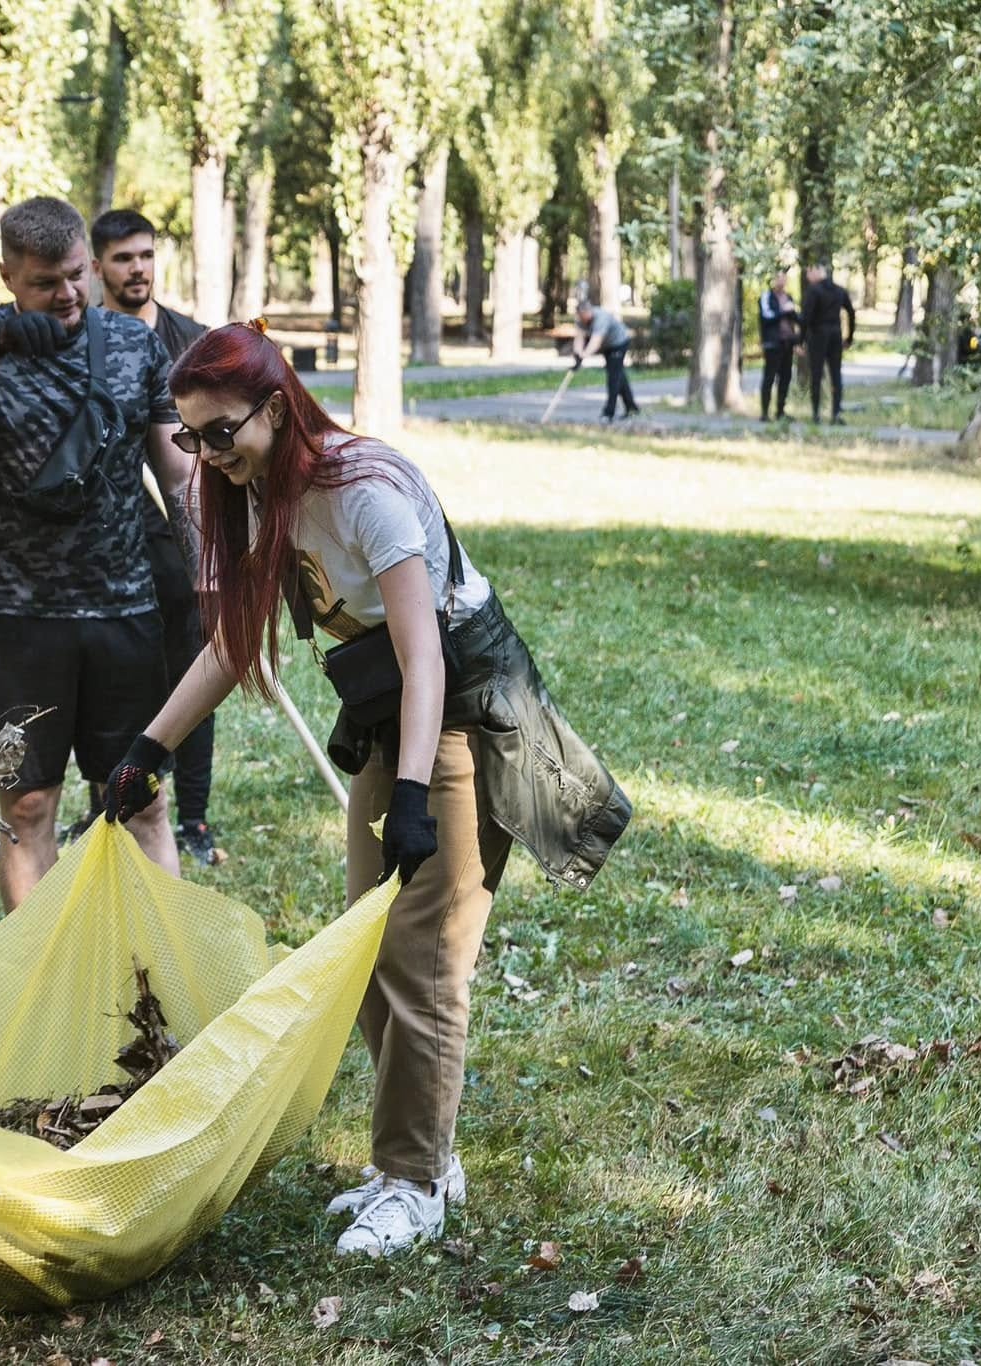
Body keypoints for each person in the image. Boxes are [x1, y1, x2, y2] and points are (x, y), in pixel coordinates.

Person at [103, 321, 631, 1259]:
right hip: (393, 718)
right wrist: (149, 745)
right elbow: (233, 644)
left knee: (424, 961)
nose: (205, 455)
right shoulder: (259, 494)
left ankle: (418, 1183)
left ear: (275, 408)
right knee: (368, 949)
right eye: (190, 437)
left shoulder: (365, 491)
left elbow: (427, 658)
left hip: (466, 715)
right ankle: (415, 1161)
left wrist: (420, 795)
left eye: (219, 432)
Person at [0, 197, 199, 911]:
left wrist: (210, 574)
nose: (64, 296)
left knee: (141, 799)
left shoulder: (131, 345)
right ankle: (43, 981)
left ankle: (164, 975)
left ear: (89, 266)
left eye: (73, 277)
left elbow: (178, 477)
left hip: (125, 609)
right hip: (11, 618)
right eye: (42, 283)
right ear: (7, 276)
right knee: (26, 809)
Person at [87, 207, 223, 865]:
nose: (137, 269)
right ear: (97, 267)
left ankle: (193, 820)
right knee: (116, 674)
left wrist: (212, 556)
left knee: (197, 663)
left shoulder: (189, 342)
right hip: (113, 542)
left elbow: (206, 461)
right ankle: (107, 803)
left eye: (145, 255)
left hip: (184, 538)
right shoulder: (84, 340)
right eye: (122, 259)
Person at [801, 264, 856, 424]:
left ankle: (816, 414)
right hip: (835, 336)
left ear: (818, 271)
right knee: (836, 375)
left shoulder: (813, 290)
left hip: (817, 337)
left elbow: (806, 317)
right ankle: (836, 413)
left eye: (809, 272)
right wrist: (849, 337)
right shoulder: (839, 290)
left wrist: (800, 340)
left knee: (816, 375)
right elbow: (851, 312)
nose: (807, 276)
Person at [572, 299, 639, 421]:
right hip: (607, 346)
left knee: (613, 378)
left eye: (582, 316)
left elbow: (596, 342)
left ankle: (609, 413)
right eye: (579, 316)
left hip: (619, 343)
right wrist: (577, 355)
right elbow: (579, 338)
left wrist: (584, 355)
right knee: (619, 375)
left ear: (588, 312)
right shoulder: (580, 320)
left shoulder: (601, 318)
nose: (581, 319)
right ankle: (632, 408)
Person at [757, 271, 801, 421]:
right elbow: (767, 317)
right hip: (773, 343)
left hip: (787, 344)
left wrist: (798, 341)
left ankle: (780, 411)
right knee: (769, 378)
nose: (782, 282)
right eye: (779, 278)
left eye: (784, 279)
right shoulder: (766, 297)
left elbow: (794, 320)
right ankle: (764, 413)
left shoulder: (789, 298)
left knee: (786, 378)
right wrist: (784, 311)